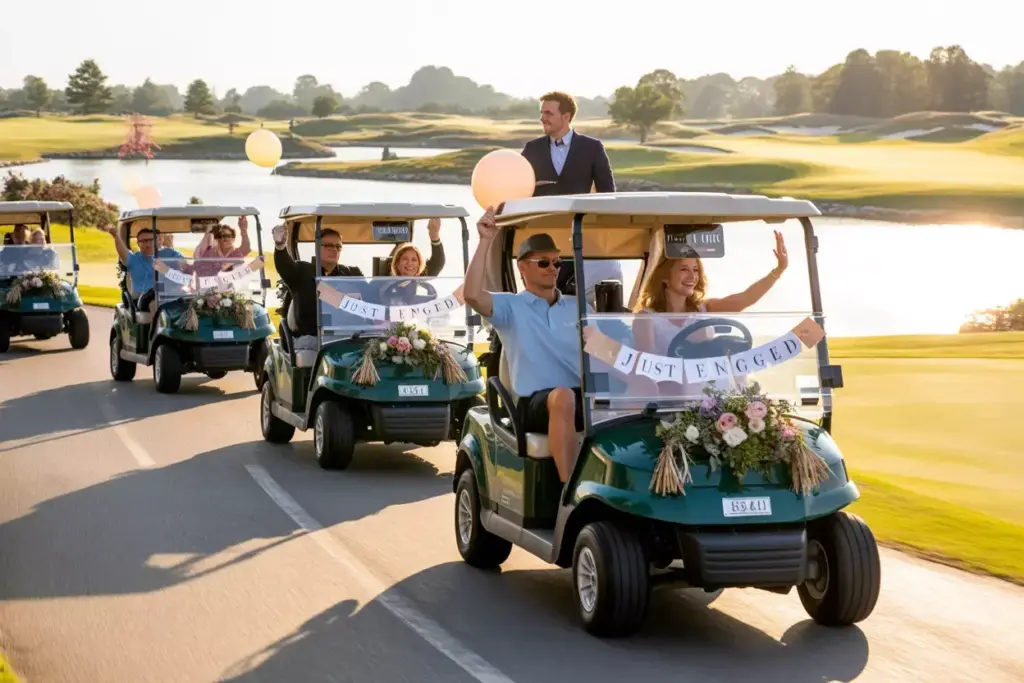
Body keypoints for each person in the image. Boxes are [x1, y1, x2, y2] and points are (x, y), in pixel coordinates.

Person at [464, 207, 590, 483]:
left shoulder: (578, 306)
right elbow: (472, 294)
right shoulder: (511, 306)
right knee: (563, 397)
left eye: (557, 263)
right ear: (522, 267)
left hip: (582, 399)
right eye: (544, 263)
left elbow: (604, 349)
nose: (553, 269)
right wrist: (485, 240)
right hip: (534, 404)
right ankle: (569, 493)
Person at [631, 232, 789, 390]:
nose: (692, 276)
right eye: (684, 269)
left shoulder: (704, 308)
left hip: (713, 393)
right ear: (665, 277)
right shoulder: (647, 317)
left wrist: (778, 270)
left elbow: (745, 299)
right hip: (672, 395)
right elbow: (647, 366)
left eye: (695, 270)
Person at [272, 223, 362, 343]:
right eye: (329, 246)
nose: (334, 250)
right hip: (311, 337)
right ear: (317, 247)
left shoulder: (352, 274)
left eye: (338, 247)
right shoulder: (302, 270)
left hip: (348, 336)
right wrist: (280, 246)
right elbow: (285, 265)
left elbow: (370, 296)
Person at [521, 91, 615, 197]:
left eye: (548, 113)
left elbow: (607, 193)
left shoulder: (592, 148)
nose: (542, 118)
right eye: (542, 113)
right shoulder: (532, 149)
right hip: (541, 213)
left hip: (579, 213)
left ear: (566, 117)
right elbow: (518, 188)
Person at [101, 225, 185, 316]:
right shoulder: (133, 259)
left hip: (168, 295)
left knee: (190, 302)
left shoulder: (170, 254)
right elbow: (122, 251)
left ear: (157, 241)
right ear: (138, 243)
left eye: (151, 240)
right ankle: (157, 330)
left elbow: (185, 266)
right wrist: (116, 236)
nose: (148, 244)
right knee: (155, 301)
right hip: (144, 297)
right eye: (144, 241)